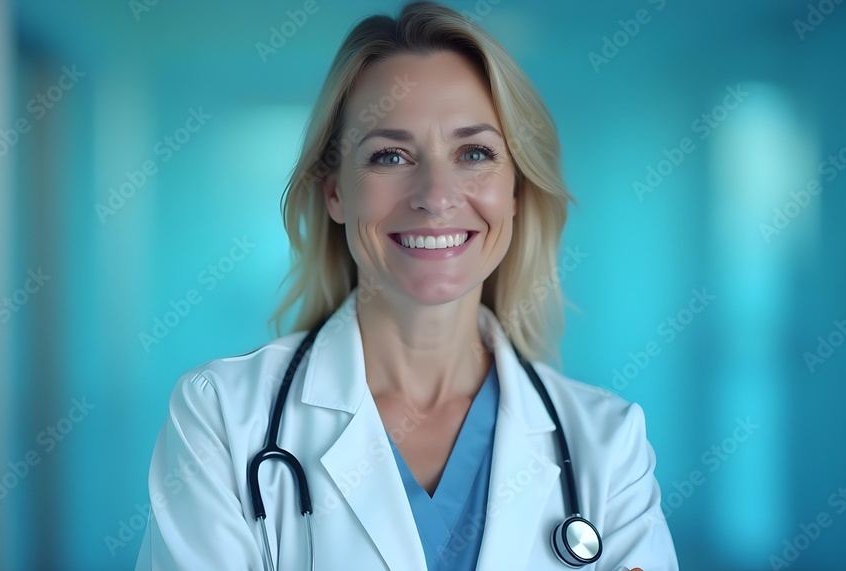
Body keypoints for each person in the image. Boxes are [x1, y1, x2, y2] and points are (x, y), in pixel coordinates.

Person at [135, 2, 678, 569]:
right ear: (335, 193)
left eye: (475, 153)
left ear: (515, 191)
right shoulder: (222, 418)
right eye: (390, 155)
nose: (436, 195)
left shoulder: (607, 443)